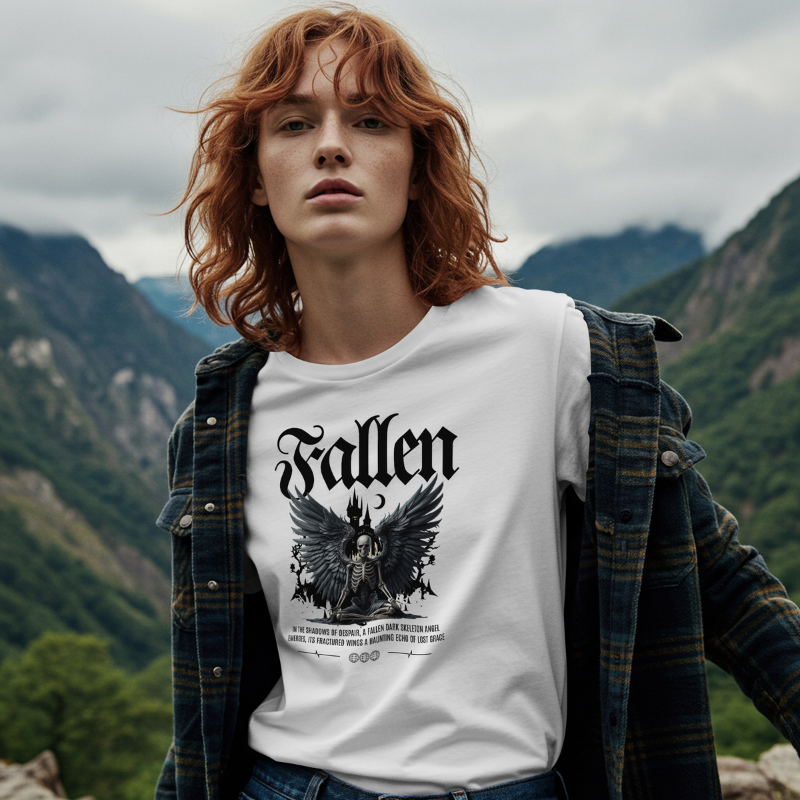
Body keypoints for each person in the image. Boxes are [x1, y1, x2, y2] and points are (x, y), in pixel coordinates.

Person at [154, 6, 800, 800]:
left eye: (369, 120)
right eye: (294, 124)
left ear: (418, 165)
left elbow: (721, 581)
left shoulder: (553, 351)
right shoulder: (228, 418)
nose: (331, 144)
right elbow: (207, 688)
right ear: (255, 176)